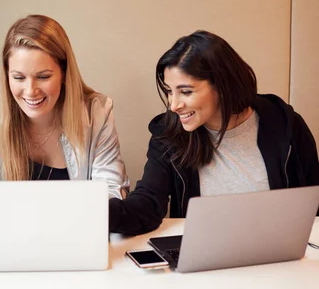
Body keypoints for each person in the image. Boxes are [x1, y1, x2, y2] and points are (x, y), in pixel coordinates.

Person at [109, 30, 319, 234]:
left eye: (186, 92)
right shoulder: (169, 134)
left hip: (282, 259)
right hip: (204, 261)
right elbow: (147, 205)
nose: (173, 105)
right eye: (169, 91)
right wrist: (100, 214)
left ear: (222, 85)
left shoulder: (284, 123)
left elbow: (314, 200)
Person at [0, 14, 129, 199]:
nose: (30, 91)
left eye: (43, 77)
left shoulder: (97, 112)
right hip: (2, 228)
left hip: (75, 228)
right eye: (18, 77)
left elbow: (111, 193)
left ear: (64, 73)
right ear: (7, 75)